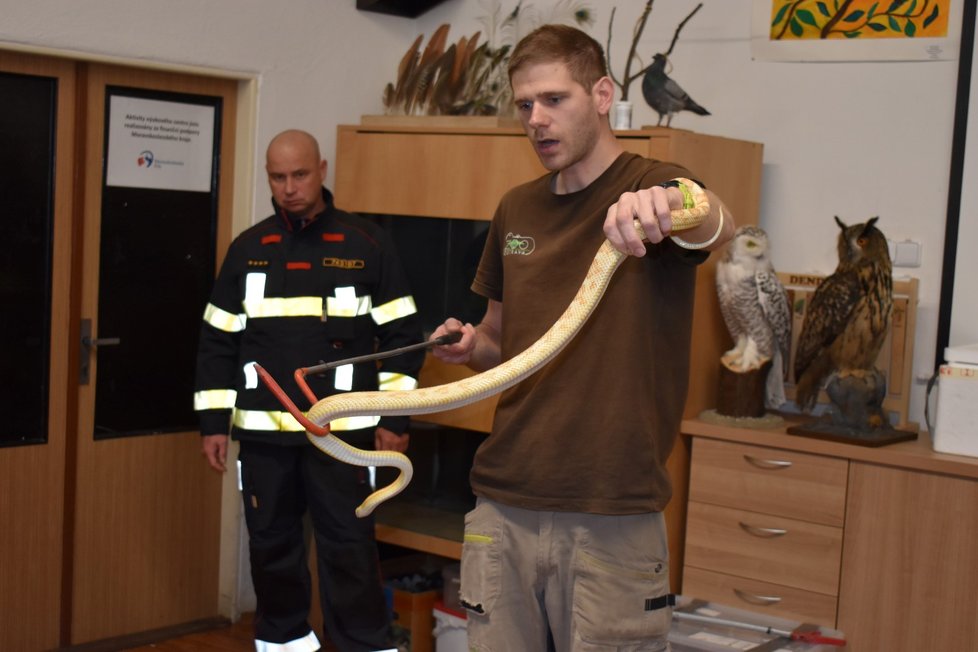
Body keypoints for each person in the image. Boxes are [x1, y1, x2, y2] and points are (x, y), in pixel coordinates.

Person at [430, 25, 735, 651]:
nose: (536, 120)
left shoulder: (654, 184)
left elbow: (716, 222)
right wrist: (470, 349)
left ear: (601, 94)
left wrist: (672, 205)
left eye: (554, 100)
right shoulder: (516, 208)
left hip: (610, 511)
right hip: (502, 500)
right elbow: (500, 342)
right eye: (524, 105)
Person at [194, 129, 424, 651]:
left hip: (343, 438)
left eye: (300, 174)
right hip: (263, 440)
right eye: (278, 177)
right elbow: (217, 342)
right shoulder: (248, 249)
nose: (290, 187)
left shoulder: (367, 245)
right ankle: (283, 645)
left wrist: (394, 420)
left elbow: (403, 337)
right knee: (272, 552)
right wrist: (213, 424)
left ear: (321, 169)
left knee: (350, 550)